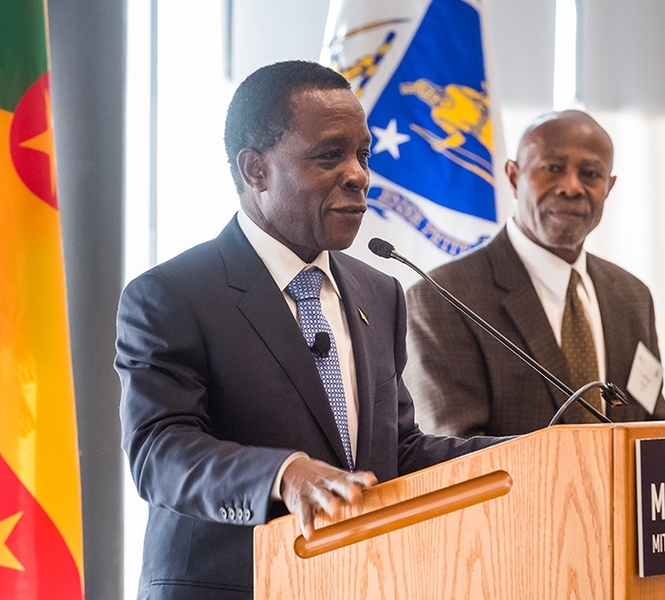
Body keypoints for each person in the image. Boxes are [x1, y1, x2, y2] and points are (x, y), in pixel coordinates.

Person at [115, 60, 502, 600]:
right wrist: (284, 474)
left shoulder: (379, 291)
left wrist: (527, 453)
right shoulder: (172, 295)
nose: (359, 174)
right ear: (256, 171)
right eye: (330, 156)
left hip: (357, 582)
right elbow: (160, 451)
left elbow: (398, 452)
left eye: (363, 154)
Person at [405, 110, 665, 437]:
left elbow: (654, 433)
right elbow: (457, 460)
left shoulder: (631, 296)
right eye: (552, 169)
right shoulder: (443, 298)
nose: (572, 187)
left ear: (609, 187)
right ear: (514, 176)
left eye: (590, 173)